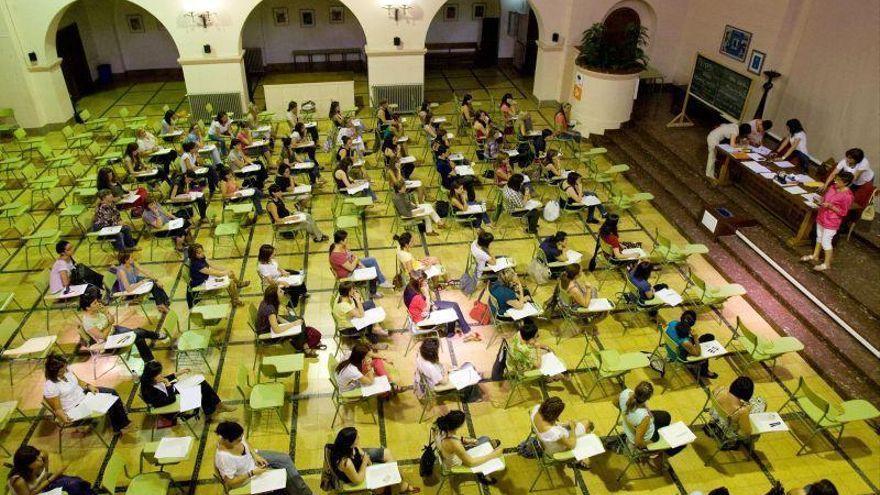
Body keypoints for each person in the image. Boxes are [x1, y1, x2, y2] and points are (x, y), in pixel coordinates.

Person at [215, 421, 312, 495]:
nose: (241, 440)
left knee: (285, 459)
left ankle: (302, 492)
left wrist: (255, 456)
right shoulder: (224, 458)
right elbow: (231, 482)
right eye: (238, 440)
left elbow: (246, 442)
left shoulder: (232, 433)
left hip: (253, 458)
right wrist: (252, 473)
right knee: (283, 478)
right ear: (228, 441)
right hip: (248, 476)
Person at [43, 354, 132, 434]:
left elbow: (79, 381)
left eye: (64, 368)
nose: (64, 371)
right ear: (53, 372)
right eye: (61, 371)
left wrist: (89, 386)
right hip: (74, 408)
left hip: (84, 396)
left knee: (112, 393)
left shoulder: (67, 370)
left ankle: (120, 423)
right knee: (108, 402)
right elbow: (57, 409)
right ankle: (120, 425)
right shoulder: (50, 386)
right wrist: (63, 417)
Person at [79, 286, 164, 362]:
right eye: (95, 303)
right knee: (139, 333)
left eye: (97, 301)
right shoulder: (88, 322)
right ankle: (155, 338)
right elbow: (103, 336)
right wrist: (110, 324)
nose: (98, 304)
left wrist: (106, 312)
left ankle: (149, 360)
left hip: (115, 330)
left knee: (138, 336)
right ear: (87, 307)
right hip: (108, 340)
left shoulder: (97, 310)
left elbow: (112, 320)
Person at [329, 427, 417, 493]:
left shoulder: (344, 445)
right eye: (356, 438)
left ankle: (398, 482)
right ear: (350, 443)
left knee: (387, 453)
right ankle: (398, 486)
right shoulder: (346, 463)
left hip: (358, 460)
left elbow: (358, 448)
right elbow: (357, 479)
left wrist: (363, 455)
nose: (359, 437)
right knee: (384, 480)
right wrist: (364, 462)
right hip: (355, 474)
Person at [140, 360, 233, 421]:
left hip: (173, 390)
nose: (162, 375)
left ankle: (216, 406)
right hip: (172, 401)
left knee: (201, 381)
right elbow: (170, 400)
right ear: (152, 375)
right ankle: (213, 408)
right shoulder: (149, 392)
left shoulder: (151, 379)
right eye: (159, 374)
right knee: (201, 386)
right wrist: (168, 384)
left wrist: (178, 373)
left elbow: (163, 379)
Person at [618, 381, 686, 465]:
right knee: (682, 443)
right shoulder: (644, 417)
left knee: (666, 416)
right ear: (648, 397)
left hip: (632, 423)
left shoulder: (626, 392)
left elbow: (615, 402)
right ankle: (657, 455)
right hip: (648, 436)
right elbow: (638, 442)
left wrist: (627, 416)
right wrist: (649, 448)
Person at [801, 171, 854, 271]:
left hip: (832, 221)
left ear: (845, 183)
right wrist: (820, 201)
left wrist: (830, 206)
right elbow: (825, 198)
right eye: (836, 179)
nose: (835, 182)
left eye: (838, 180)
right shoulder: (832, 187)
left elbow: (843, 212)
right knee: (819, 237)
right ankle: (815, 255)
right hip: (822, 216)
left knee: (826, 241)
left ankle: (827, 263)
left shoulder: (848, 196)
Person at [404, 271, 476, 341]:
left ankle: (466, 330)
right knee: (452, 311)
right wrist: (427, 295)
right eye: (425, 281)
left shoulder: (410, 286)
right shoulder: (417, 298)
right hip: (423, 319)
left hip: (423, 309)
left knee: (454, 305)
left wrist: (430, 303)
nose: (427, 283)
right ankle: (451, 335)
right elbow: (426, 310)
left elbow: (423, 304)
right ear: (419, 282)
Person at [435, 411, 502, 486]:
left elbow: (452, 437)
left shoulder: (439, 427)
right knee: (488, 446)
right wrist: (493, 455)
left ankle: (488, 447)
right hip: (456, 463)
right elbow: (471, 463)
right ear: (459, 426)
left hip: (447, 456)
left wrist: (467, 440)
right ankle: (483, 475)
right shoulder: (454, 444)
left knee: (485, 439)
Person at [257, 284, 322, 357]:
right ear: (275, 296)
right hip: (269, 334)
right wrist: (293, 324)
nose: (283, 292)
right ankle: (303, 348)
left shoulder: (266, 301)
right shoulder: (270, 309)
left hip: (269, 327)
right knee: (300, 329)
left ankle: (304, 344)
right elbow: (277, 330)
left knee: (300, 321)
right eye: (280, 291)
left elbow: (276, 316)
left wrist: (286, 322)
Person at [532, 396, 594, 468]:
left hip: (545, 442)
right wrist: (572, 428)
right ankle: (581, 455)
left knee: (581, 422)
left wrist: (561, 424)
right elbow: (571, 445)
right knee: (587, 422)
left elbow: (548, 423)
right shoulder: (555, 433)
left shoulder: (536, 409)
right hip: (555, 451)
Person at [7, 445, 96, 495]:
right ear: (27, 465)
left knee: (76, 482)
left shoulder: (42, 455)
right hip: (36, 492)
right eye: (35, 459)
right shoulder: (19, 481)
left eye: (37, 455)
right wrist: (53, 477)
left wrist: (48, 479)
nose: (39, 459)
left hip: (44, 482)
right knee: (73, 488)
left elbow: (45, 474)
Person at [414, 338, 482, 402]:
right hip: (438, 384)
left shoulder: (420, 354)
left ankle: (473, 376)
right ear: (432, 354)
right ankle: (473, 397)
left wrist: (445, 367)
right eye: (436, 351)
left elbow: (437, 365)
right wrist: (446, 371)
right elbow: (444, 382)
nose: (437, 351)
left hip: (433, 377)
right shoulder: (430, 368)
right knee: (471, 375)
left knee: (468, 366)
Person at [329, 230, 392, 297]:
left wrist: (361, 265)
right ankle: (372, 293)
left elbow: (352, 255)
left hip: (352, 263)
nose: (348, 240)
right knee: (373, 271)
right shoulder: (336, 255)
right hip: (348, 275)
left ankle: (382, 281)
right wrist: (357, 260)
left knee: (372, 260)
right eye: (346, 238)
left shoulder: (342, 246)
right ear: (341, 241)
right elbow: (351, 268)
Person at [707, 376, 763, 441]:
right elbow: (746, 432)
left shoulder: (720, 389)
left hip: (715, 416)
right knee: (761, 403)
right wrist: (747, 410)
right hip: (727, 430)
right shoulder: (741, 411)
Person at [666, 310, 717, 379]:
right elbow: (697, 353)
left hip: (670, 347)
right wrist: (695, 338)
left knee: (708, 337)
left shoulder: (672, 323)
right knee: (705, 351)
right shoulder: (685, 342)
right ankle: (704, 371)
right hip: (679, 357)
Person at [256, 244, 308, 308]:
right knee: (294, 289)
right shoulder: (262, 267)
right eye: (273, 254)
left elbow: (277, 267)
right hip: (274, 283)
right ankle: (291, 306)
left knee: (297, 274)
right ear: (267, 255)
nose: (275, 254)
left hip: (279, 275)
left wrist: (283, 271)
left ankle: (303, 292)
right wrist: (282, 282)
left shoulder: (270, 259)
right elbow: (271, 281)